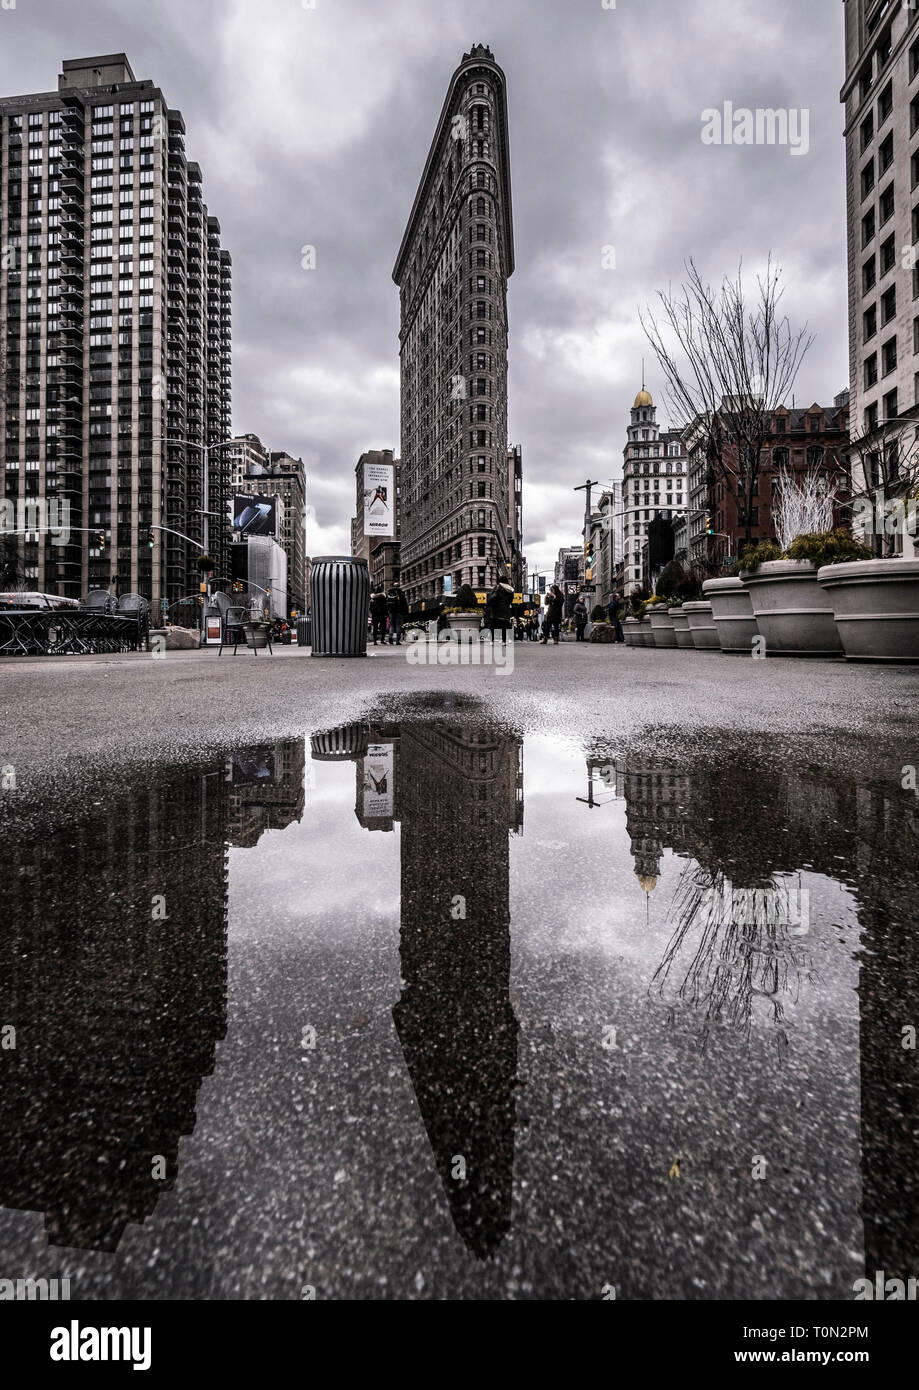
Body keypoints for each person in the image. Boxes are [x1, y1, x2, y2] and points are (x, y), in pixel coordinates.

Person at [487, 568, 515, 644]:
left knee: (492, 626)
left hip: (496, 610)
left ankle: (492, 641)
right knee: (504, 627)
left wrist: (489, 604)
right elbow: (511, 600)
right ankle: (504, 641)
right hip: (505, 611)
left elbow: (492, 597)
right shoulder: (511, 590)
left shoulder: (497, 587)